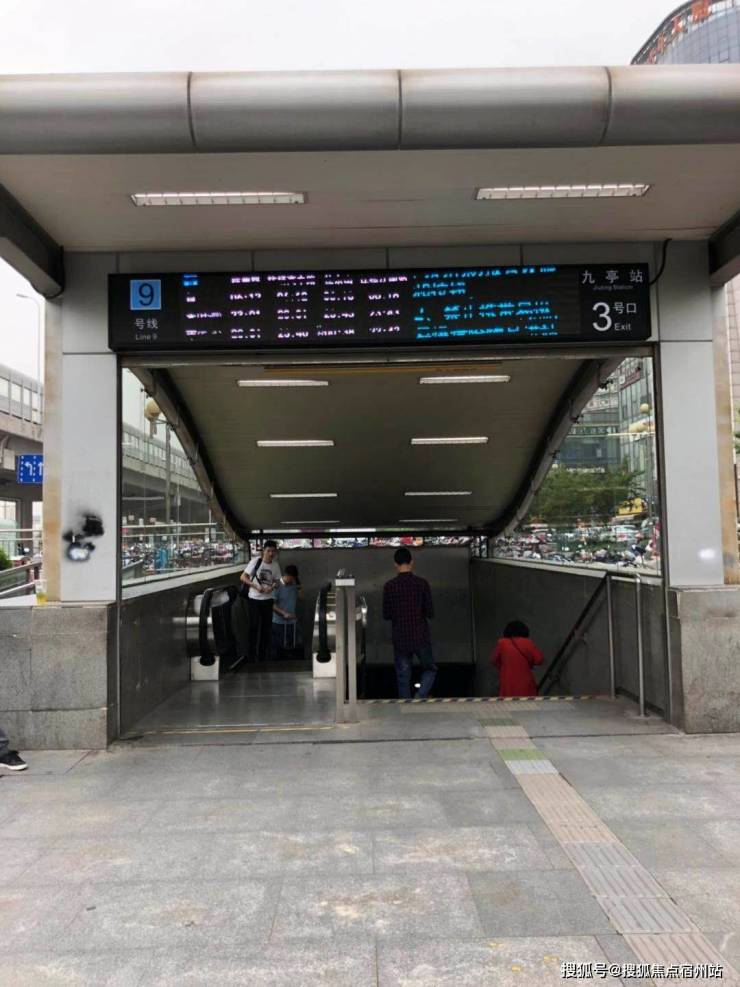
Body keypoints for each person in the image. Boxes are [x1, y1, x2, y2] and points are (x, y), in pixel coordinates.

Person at [382, 547, 437, 699]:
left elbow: (386, 615)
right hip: (421, 637)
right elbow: (430, 613)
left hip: (400, 638)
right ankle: (420, 696)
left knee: (403, 676)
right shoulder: (422, 584)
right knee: (430, 669)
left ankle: (406, 707)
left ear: (395, 564)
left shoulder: (389, 586)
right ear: (412, 562)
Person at [240, 540, 281, 662]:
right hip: (254, 600)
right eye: (268, 551)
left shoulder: (275, 565)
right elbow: (243, 577)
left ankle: (262, 655)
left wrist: (272, 587)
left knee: (266, 628)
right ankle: (252, 655)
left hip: (268, 600)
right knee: (254, 627)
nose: (271, 553)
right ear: (264, 551)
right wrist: (255, 586)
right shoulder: (255, 562)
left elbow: (277, 581)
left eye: (273, 551)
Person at [491, 620, 544, 697]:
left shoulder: (502, 643)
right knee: (527, 703)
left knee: (508, 703)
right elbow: (539, 660)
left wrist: (504, 667)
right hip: (525, 685)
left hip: (507, 684)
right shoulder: (528, 642)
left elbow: (494, 660)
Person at [272, 564, 304, 657]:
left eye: (293, 578)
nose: (291, 580)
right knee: (280, 649)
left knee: (295, 647)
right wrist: (284, 613)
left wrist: (299, 585)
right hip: (279, 623)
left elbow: (302, 598)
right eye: (291, 578)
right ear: (286, 575)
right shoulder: (277, 585)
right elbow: (272, 604)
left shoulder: (294, 585)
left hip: (292, 622)